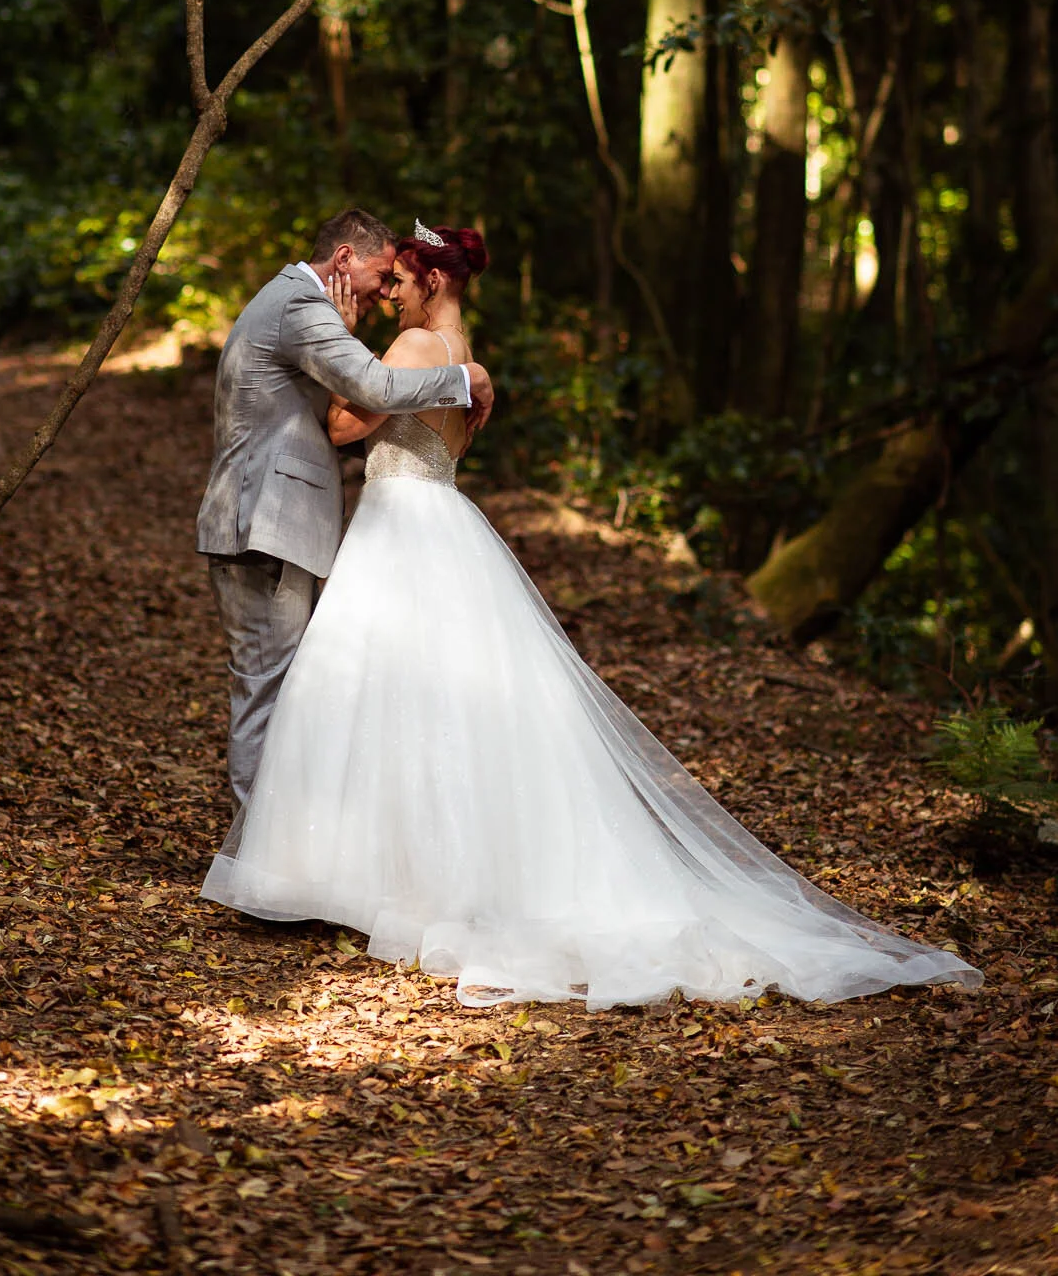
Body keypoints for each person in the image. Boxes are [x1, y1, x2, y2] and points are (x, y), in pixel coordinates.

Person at [202, 222, 981, 1010]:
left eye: (400, 281)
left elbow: (344, 424)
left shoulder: (410, 354)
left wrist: (340, 365)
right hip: (441, 522)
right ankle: (408, 875)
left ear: (432, 283)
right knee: (440, 708)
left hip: (395, 529)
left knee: (366, 696)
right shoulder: (465, 357)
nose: (390, 292)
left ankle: (344, 874)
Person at [196, 207, 494, 812]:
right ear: (343, 261)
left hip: (281, 525)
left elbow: (353, 404)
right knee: (272, 692)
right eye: (382, 276)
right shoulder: (304, 308)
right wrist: (464, 379)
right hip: (263, 525)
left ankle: (280, 857)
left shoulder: (308, 308)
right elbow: (374, 391)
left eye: (396, 281)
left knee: (288, 692)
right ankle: (259, 861)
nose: (385, 292)